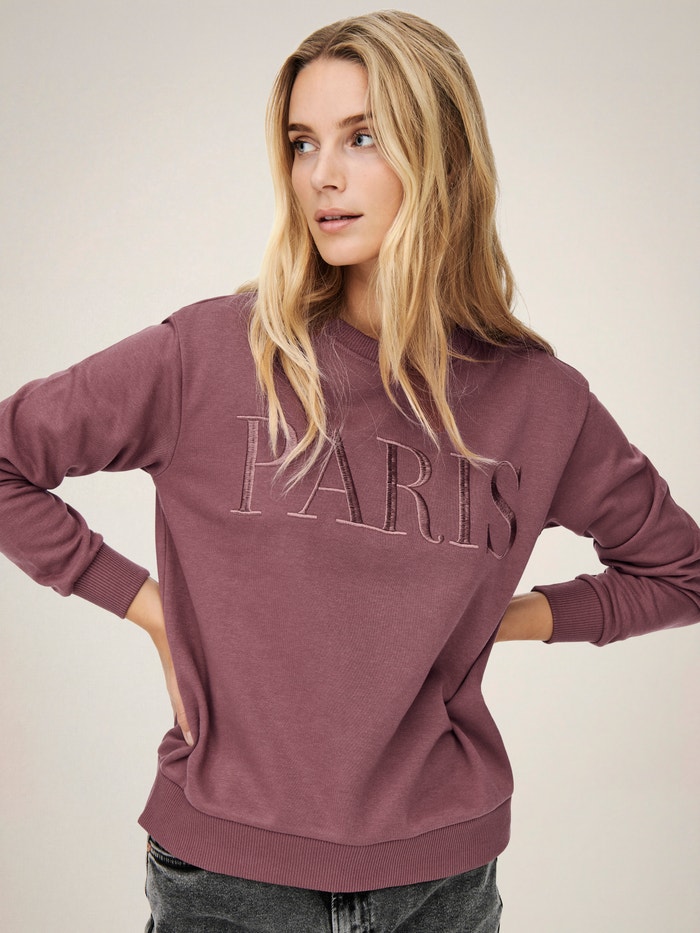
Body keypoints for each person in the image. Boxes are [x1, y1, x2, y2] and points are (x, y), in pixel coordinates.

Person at [1, 10, 698, 932]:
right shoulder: (209, 355)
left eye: (362, 137)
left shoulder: (541, 401)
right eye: (303, 143)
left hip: (442, 884)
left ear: (441, 158)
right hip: (227, 881)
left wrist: (505, 618)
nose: (321, 175)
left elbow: (680, 572)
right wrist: (152, 609)